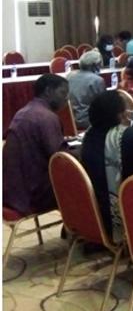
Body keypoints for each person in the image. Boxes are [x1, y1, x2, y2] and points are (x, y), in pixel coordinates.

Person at [81, 91, 133, 243]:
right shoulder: (129, 136)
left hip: (92, 212)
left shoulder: (89, 134)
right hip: (118, 213)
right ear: (120, 114)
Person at [3, 74, 69, 215]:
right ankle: (81, 225)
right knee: (84, 176)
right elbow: (60, 159)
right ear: (48, 91)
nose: (66, 98)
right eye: (63, 93)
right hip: (33, 196)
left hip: (11, 190)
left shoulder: (24, 111)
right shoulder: (46, 117)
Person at [67, 50, 106, 129]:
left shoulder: (70, 75)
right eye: (100, 64)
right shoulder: (97, 80)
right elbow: (104, 104)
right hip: (86, 121)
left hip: (69, 120)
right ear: (95, 65)